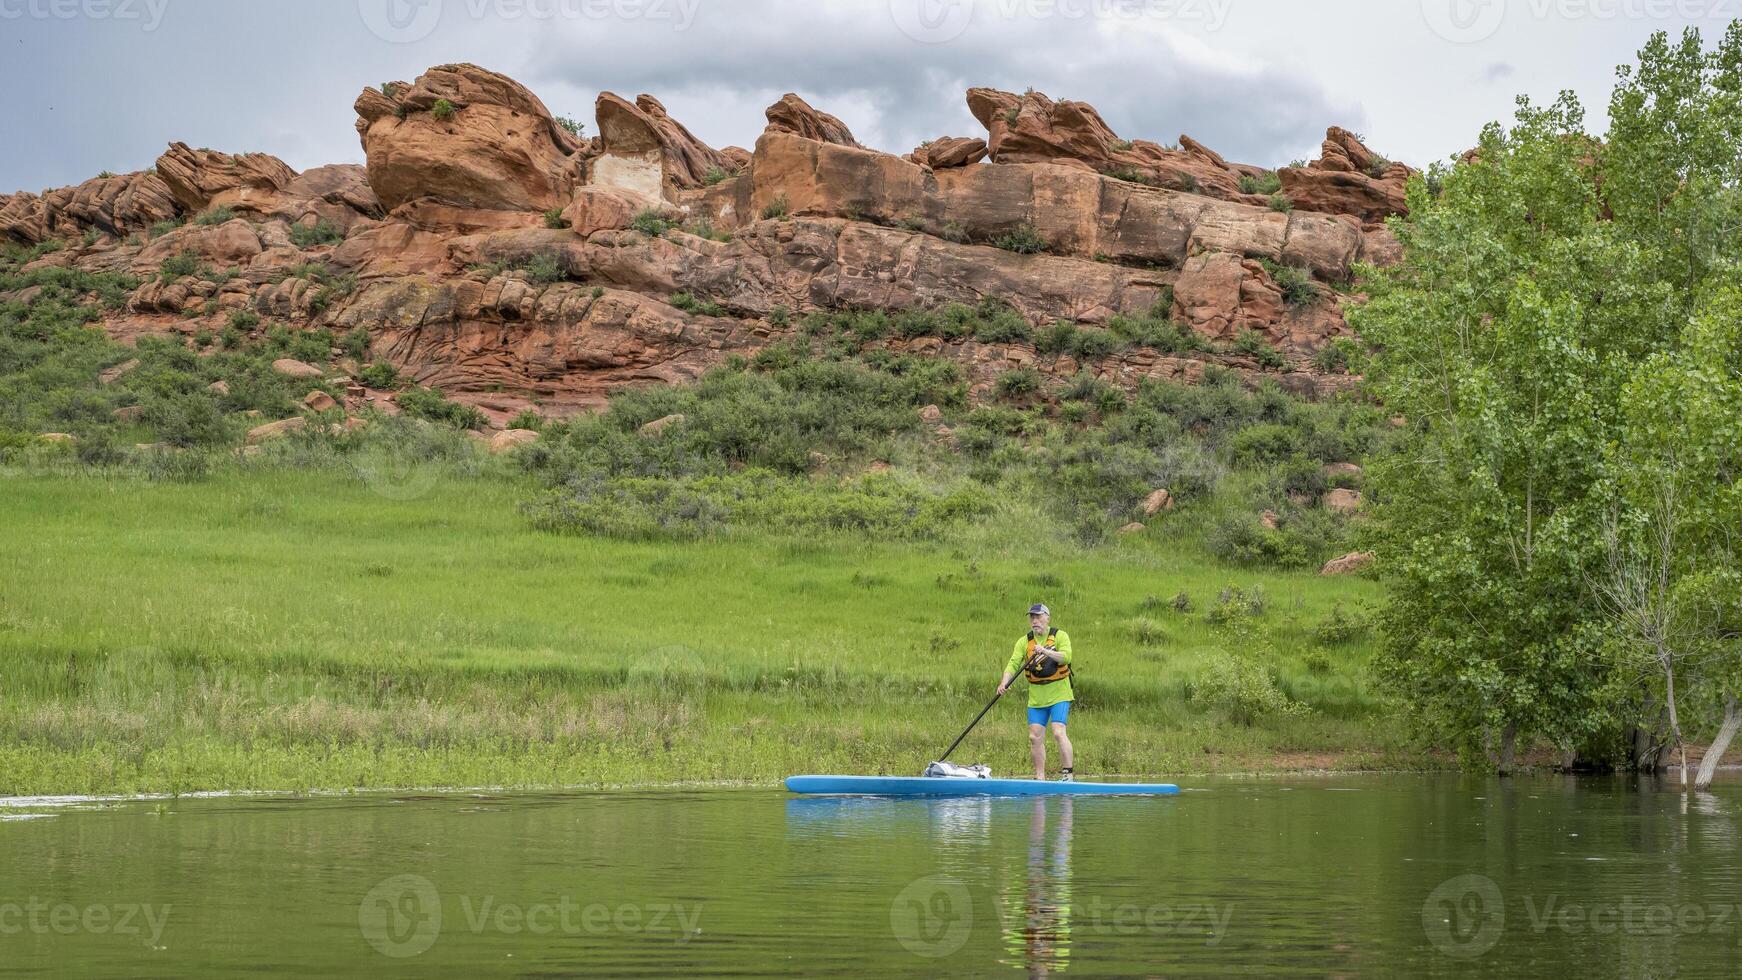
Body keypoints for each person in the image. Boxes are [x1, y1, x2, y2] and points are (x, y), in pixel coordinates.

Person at [998, 603, 1074, 781]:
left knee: (1058, 732)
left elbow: (1066, 657)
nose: (1034, 620)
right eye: (1032, 617)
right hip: (1037, 698)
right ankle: (1040, 777)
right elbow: (1013, 663)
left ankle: (1067, 775)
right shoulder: (1024, 641)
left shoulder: (1060, 636)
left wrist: (1046, 652)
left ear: (1047, 618)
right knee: (1034, 736)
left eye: (1038, 617)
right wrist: (1004, 682)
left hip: (1059, 694)